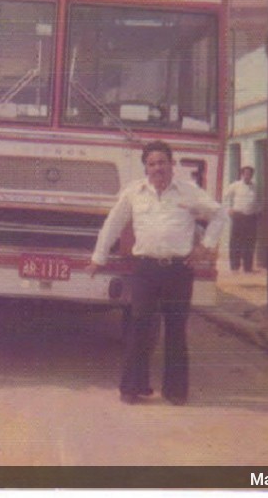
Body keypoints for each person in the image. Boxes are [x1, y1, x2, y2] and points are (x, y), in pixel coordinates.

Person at [88, 141, 226, 405]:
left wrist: (205, 247)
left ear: (172, 164)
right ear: (146, 168)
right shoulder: (134, 192)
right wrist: (98, 257)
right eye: (152, 164)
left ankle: (175, 391)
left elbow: (220, 215)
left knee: (176, 330)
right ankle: (132, 388)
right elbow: (113, 224)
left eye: (162, 162)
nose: (158, 168)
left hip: (178, 269)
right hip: (145, 269)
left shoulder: (189, 192)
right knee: (139, 328)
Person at [224, 166, 261, 273]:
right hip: (238, 216)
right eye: (245, 173)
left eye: (249, 174)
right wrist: (228, 209)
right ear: (242, 174)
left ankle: (247, 267)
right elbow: (225, 196)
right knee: (236, 242)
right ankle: (235, 266)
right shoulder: (236, 185)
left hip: (251, 217)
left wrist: (258, 210)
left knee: (249, 243)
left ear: (252, 175)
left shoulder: (255, 187)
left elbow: (258, 200)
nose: (247, 176)